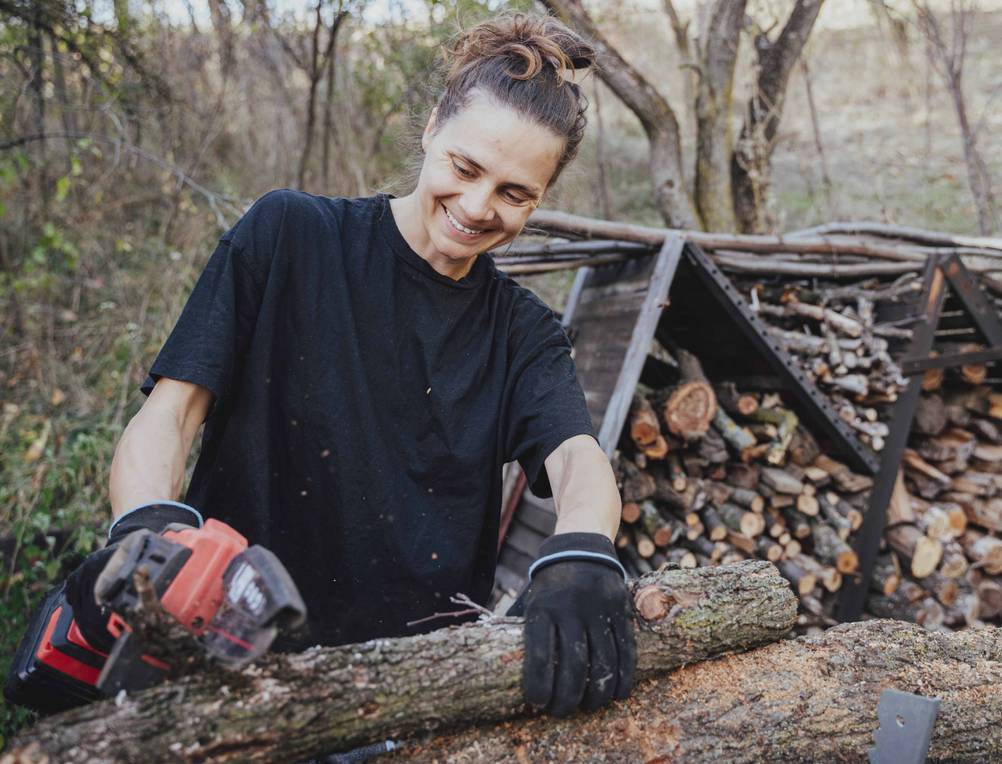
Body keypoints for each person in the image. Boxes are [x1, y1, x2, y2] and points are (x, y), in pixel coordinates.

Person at [64, 11, 635, 721]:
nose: (476, 207)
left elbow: (578, 459)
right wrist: (149, 527)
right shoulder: (289, 237)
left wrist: (582, 548)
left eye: (515, 194)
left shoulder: (523, 331)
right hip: (228, 661)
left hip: (405, 697)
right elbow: (171, 414)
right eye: (465, 168)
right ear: (433, 127)